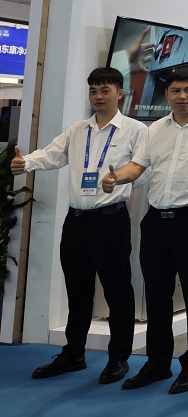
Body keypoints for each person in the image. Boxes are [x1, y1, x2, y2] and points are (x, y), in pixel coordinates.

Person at [11, 67, 147, 384]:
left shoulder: (135, 130)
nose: (98, 96)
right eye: (93, 90)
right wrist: (25, 163)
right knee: (77, 290)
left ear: (120, 93)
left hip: (111, 220)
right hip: (76, 222)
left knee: (117, 291)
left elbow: (143, 169)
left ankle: (118, 358)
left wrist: (119, 181)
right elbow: (52, 154)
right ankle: (73, 354)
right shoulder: (77, 130)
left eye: (105, 90)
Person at [104, 67, 188, 393]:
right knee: (157, 294)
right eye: (175, 91)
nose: (182, 96)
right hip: (156, 221)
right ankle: (158, 363)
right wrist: (117, 178)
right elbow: (138, 166)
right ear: (167, 95)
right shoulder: (156, 129)